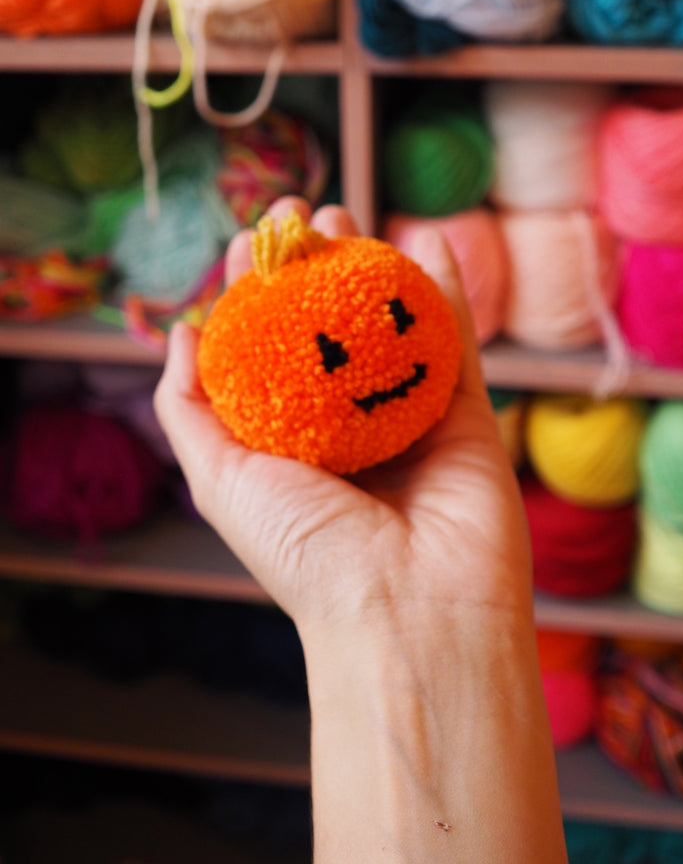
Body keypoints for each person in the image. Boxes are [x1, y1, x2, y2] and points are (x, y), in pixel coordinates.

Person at [154, 196, 569, 863]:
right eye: (331, 353)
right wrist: (384, 610)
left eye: (400, 319)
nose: (372, 363)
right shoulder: (248, 337)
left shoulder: (384, 286)